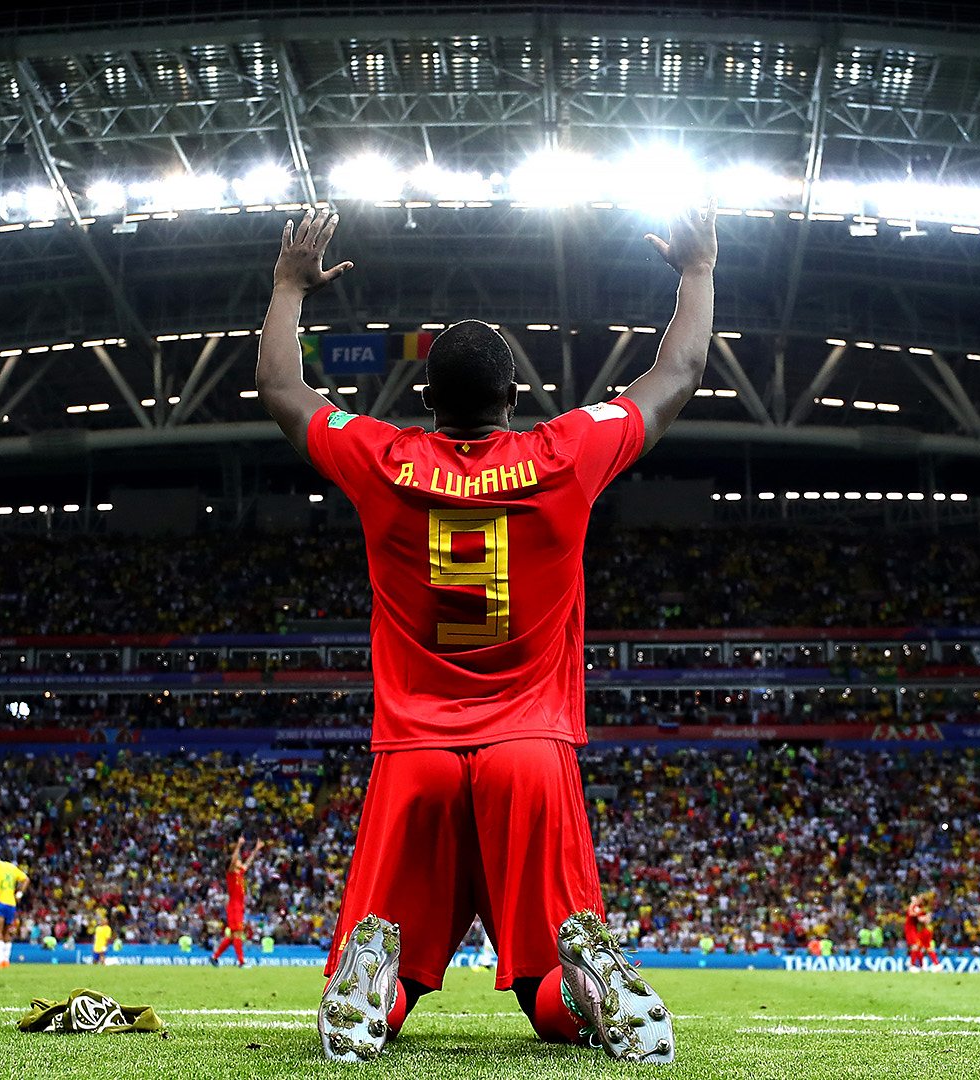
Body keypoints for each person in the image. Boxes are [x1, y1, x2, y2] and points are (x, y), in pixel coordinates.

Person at [256, 202, 715, 1063]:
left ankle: (369, 983)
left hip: (415, 754)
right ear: (513, 399)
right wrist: (696, 271)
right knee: (548, 981)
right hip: (530, 753)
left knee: (389, 970)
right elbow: (679, 372)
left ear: (426, 399)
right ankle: (590, 986)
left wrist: (288, 286)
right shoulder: (565, 454)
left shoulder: (384, 460)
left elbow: (284, 391)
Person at [210, 837, 263, 967]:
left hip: (238, 906)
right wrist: (238, 845)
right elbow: (233, 860)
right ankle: (241, 962)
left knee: (233, 936)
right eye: (238, 860)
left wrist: (256, 849)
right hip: (234, 907)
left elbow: (248, 862)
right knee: (238, 933)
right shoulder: (231, 874)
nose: (240, 861)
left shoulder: (239, 874)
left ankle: (214, 957)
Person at [0, 855, 28, 969]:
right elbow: (26, 880)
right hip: (11, 903)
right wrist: (19, 894)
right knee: (6, 932)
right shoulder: (11, 867)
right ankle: (5, 960)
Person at [903, 894, 939, 971]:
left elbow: (923, 919)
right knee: (917, 946)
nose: (919, 901)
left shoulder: (920, 908)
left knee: (918, 947)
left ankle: (919, 965)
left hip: (918, 929)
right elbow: (912, 914)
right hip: (913, 929)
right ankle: (913, 965)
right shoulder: (916, 907)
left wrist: (926, 917)